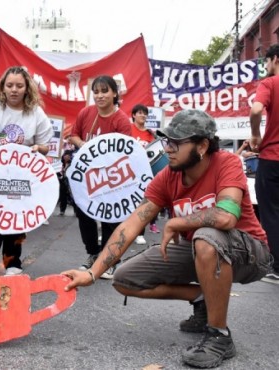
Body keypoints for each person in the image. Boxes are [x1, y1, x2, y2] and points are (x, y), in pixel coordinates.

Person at [62, 109, 271, 369]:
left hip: (250, 254)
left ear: (202, 146)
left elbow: (226, 216)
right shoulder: (167, 176)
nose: (168, 148)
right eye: (166, 141)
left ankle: (219, 336)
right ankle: (202, 299)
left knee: (206, 236)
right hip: (203, 249)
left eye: (176, 143)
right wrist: (92, 273)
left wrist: (177, 221)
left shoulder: (226, 163)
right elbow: (132, 223)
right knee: (125, 279)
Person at [0, 66, 54, 276]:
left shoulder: (36, 113)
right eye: (10, 85)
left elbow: (45, 146)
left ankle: (13, 261)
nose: (14, 90)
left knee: (18, 216)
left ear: (27, 88)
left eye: (19, 86)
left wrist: (37, 149)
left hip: (22, 176)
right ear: (3, 87)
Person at [68, 75, 132, 276]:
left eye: (104, 91)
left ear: (115, 93)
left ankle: (109, 259)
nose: (100, 95)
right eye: (96, 91)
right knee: (84, 213)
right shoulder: (86, 113)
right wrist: (83, 145)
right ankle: (93, 254)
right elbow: (74, 135)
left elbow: (126, 151)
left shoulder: (121, 120)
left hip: (112, 178)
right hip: (86, 178)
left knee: (110, 218)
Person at [250, 44, 279, 284]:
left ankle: (276, 267)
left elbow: (256, 109)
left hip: (273, 159)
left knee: (271, 213)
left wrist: (255, 134)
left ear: (275, 59)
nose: (266, 67)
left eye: (267, 62)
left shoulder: (269, 84)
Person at [130, 104, 160, 244]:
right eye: (140, 113)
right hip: (129, 171)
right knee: (127, 202)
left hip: (145, 173)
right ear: (134, 115)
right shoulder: (128, 130)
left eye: (145, 113)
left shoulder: (150, 133)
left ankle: (139, 232)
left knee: (141, 202)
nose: (143, 115)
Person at [57, 149, 74, 216]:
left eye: (67, 156)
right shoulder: (61, 163)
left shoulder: (73, 164)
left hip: (70, 183)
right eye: (65, 156)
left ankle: (76, 210)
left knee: (72, 197)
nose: (65, 157)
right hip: (63, 182)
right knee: (63, 197)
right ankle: (62, 210)